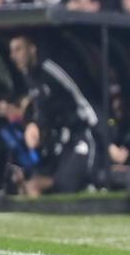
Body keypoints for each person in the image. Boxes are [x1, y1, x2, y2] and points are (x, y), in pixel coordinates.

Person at [9, 35, 101, 197]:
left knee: (65, 183)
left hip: (84, 133)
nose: (14, 56)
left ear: (32, 49)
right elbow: (41, 109)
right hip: (61, 139)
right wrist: (34, 125)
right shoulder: (29, 77)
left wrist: (106, 137)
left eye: (18, 49)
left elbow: (83, 98)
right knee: (31, 180)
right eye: (12, 51)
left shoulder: (52, 69)